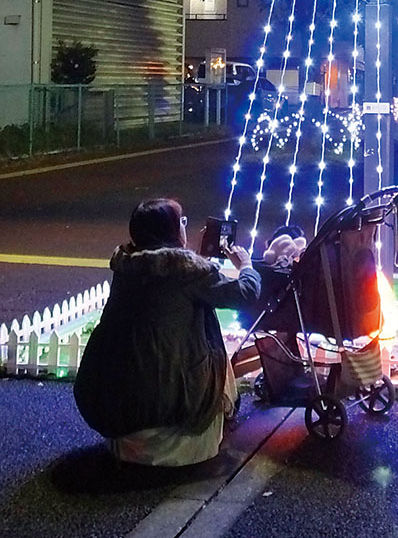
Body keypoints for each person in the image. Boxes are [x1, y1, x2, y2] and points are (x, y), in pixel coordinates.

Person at [73, 197, 260, 467]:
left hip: (113, 401)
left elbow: (171, 283)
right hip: (171, 399)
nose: (186, 225)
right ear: (171, 231)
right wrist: (246, 265)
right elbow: (246, 293)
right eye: (181, 221)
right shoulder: (188, 274)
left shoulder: (127, 265)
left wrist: (195, 259)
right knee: (208, 326)